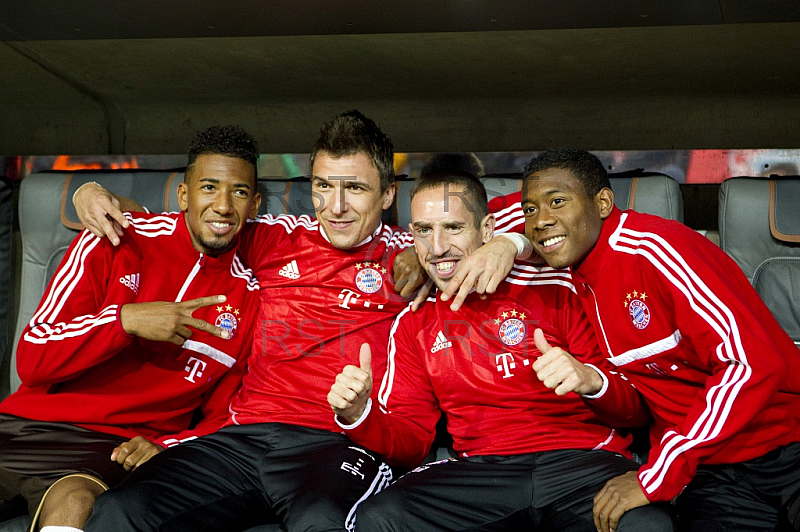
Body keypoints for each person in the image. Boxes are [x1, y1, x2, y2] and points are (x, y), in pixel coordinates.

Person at [75, 111, 524, 531]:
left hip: (338, 443)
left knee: (321, 519)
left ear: (389, 194)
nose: (337, 206)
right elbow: (186, 221)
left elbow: (532, 207)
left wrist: (507, 245)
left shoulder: (424, 246)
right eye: (324, 186)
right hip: (245, 437)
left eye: (357, 189)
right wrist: (91, 194)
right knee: (121, 509)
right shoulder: (275, 236)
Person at [328, 170, 675, 531]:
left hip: (581, 464)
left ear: (488, 229)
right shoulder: (415, 321)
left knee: (648, 524)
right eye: (424, 230)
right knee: (380, 519)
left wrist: (591, 380)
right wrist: (359, 415)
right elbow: (412, 442)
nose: (437, 247)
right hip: (480, 474)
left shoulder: (558, 289)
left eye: (453, 228)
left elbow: (635, 411)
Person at [520, 147, 800, 532]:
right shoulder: (578, 276)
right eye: (530, 211)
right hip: (711, 471)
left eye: (557, 202)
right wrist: (592, 383)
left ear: (602, 202)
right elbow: (643, 404)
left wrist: (658, 475)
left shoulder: (655, 249)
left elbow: (751, 364)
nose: (540, 221)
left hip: (786, 444)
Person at [0, 125, 262, 532]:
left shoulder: (252, 296)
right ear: (184, 196)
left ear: (255, 204)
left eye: (239, 192)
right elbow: (33, 357)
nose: (223, 205)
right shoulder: (116, 236)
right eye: (209, 187)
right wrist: (126, 320)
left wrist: (170, 446)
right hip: (25, 425)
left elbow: (229, 410)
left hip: (114, 445)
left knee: (76, 502)